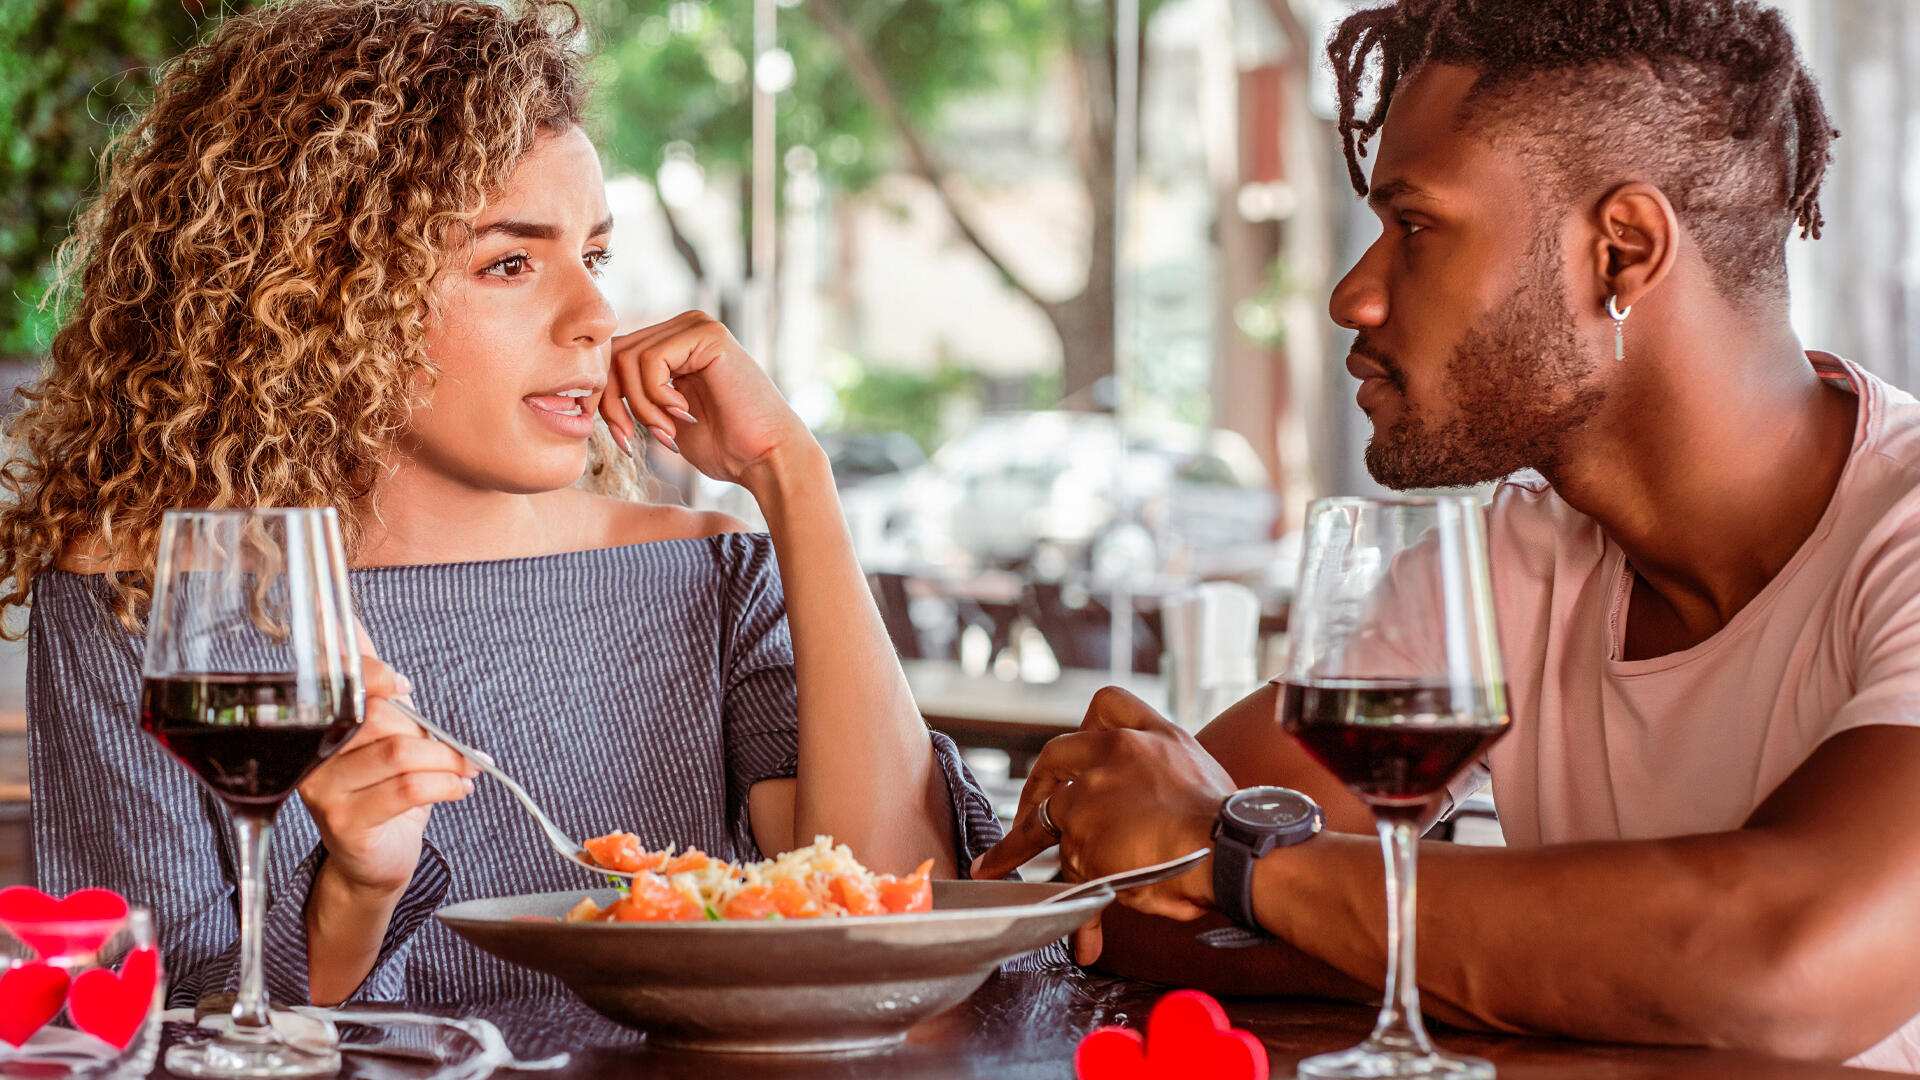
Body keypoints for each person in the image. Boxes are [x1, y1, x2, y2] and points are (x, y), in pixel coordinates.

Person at [976, 0, 1920, 1070]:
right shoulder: (1495, 572)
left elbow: (1791, 965)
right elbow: (1128, 894)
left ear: (1622, 251)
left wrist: (1258, 872)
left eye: (1415, 227)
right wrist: (1571, 967)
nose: (1351, 295)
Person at [1, 0, 1000, 1010]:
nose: (596, 317)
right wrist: (357, 888)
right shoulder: (146, 602)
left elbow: (888, 930)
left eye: (594, 257)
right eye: (510, 263)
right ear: (321, 296)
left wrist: (795, 477)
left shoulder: (711, 576)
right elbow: (143, 1022)